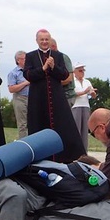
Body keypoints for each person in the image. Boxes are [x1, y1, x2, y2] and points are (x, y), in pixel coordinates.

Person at [24, 29, 86, 163]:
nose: (45, 42)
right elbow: (28, 75)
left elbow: (65, 75)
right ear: (37, 41)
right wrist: (43, 68)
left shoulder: (58, 56)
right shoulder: (30, 56)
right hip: (38, 99)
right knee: (38, 127)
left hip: (57, 99)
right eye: (42, 39)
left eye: (47, 39)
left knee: (64, 127)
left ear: (50, 40)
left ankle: (64, 157)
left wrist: (53, 67)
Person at [71, 63, 96, 151]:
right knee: (76, 130)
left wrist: (92, 93)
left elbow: (93, 95)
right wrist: (84, 92)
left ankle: (84, 151)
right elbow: (73, 94)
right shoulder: (72, 82)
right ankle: (76, 151)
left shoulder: (87, 82)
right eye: (80, 70)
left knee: (85, 130)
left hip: (85, 106)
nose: (82, 72)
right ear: (74, 72)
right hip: (76, 106)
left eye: (83, 70)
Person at [7, 50, 30, 139]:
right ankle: (24, 143)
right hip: (20, 98)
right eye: (24, 59)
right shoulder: (13, 73)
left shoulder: (30, 71)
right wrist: (25, 83)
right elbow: (11, 89)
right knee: (22, 124)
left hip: (32, 98)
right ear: (18, 60)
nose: (26, 61)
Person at [50, 38, 75, 107]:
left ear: (53, 46)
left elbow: (69, 78)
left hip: (67, 95)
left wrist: (52, 84)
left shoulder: (63, 57)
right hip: (58, 95)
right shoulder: (52, 59)